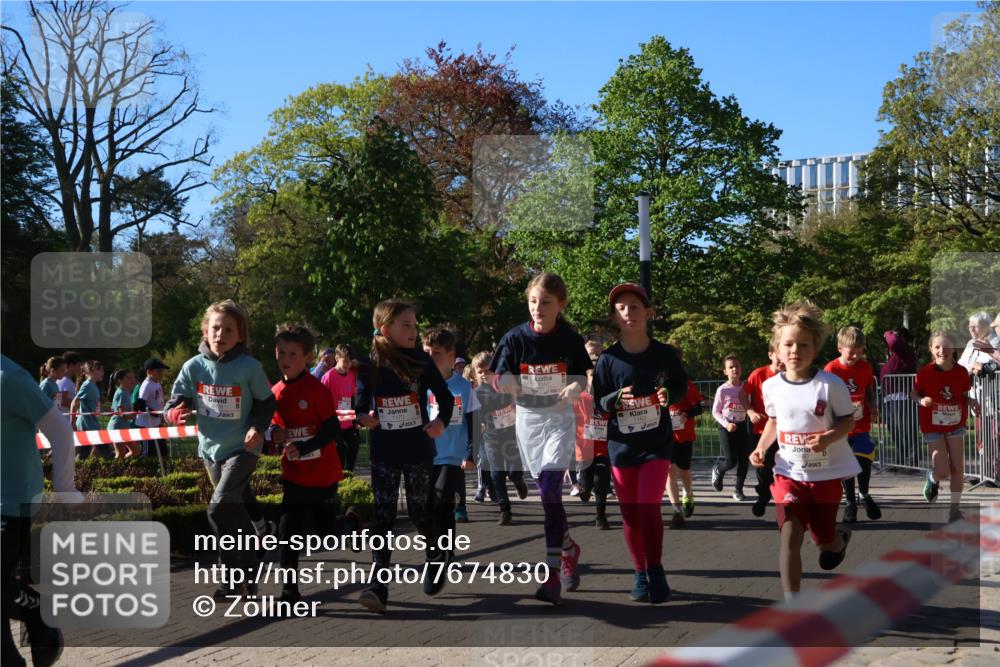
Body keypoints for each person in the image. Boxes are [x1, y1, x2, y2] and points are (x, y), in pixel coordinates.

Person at [163, 299, 277, 600]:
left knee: (219, 506)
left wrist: (256, 427)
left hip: (243, 448)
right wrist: (177, 413)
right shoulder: (193, 366)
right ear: (205, 331)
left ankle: (241, 567)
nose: (220, 334)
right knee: (231, 512)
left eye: (228, 329)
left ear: (240, 335)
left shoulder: (249, 367)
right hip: (211, 450)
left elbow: (267, 402)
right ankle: (241, 574)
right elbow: (173, 403)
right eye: (215, 328)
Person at [491, 273, 592, 605]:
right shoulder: (514, 338)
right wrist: (506, 383)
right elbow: (499, 373)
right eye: (533, 301)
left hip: (559, 420)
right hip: (528, 423)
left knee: (550, 490)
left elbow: (583, 378)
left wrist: (576, 386)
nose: (538, 308)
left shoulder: (569, 339)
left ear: (560, 305)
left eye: (546, 302)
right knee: (549, 497)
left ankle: (551, 577)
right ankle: (568, 547)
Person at [750, 302, 859, 601]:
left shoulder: (830, 385)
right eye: (788, 344)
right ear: (777, 348)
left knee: (824, 541)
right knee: (790, 533)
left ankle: (838, 540)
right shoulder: (771, 387)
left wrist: (828, 438)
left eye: (803, 344)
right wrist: (760, 448)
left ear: (815, 348)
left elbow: (848, 421)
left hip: (825, 475)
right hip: (788, 472)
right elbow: (774, 421)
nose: (794, 350)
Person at [354, 299, 452, 613]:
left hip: (417, 448)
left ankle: (437, 556)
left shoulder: (421, 362)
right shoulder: (369, 364)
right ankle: (378, 583)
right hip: (384, 450)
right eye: (406, 325)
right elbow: (358, 402)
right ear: (385, 329)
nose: (413, 330)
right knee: (383, 516)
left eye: (414, 324)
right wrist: (362, 416)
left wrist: (440, 422)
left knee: (417, 510)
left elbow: (446, 398)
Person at [593, 283, 687, 604]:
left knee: (648, 507)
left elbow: (680, 385)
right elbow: (599, 401)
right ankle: (640, 573)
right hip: (622, 447)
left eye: (635, 307)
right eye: (622, 309)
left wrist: (668, 395)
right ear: (614, 317)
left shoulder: (662, 354)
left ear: (648, 313)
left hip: (656, 445)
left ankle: (656, 569)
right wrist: (615, 398)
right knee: (630, 514)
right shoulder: (608, 359)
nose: (629, 313)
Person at [2, 354, 83, 667]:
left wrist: (64, 488)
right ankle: (35, 612)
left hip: (11, 500)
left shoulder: (8, 377)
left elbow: (59, 430)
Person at [267, 325, 346, 608]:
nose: (285, 358)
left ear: (307, 357)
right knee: (288, 534)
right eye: (281, 353)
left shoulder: (316, 390)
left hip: (323, 474)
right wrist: (275, 436)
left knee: (326, 535)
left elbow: (332, 428)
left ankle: (347, 524)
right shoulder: (274, 392)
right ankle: (290, 591)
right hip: (294, 475)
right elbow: (276, 429)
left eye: (292, 353)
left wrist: (306, 446)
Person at [422, 326, 480, 596]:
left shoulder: (464, 387)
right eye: (426, 353)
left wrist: (471, 454)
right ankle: (441, 551)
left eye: (436, 354)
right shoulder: (419, 384)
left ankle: (437, 561)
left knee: (442, 500)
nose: (430, 358)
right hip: (424, 457)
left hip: (452, 456)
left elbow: (475, 422)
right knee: (429, 509)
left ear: (450, 356)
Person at [912, 331, 980, 522]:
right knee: (943, 470)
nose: (942, 351)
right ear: (931, 350)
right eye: (937, 347)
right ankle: (933, 479)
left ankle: (954, 511)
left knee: (958, 468)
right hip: (933, 426)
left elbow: (964, 395)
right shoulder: (925, 372)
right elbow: (913, 393)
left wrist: (972, 401)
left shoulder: (960, 372)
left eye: (946, 346)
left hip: (955, 424)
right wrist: (921, 400)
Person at [824, 327, 881, 523]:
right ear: (840, 348)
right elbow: (824, 397)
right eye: (851, 352)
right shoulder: (831, 369)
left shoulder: (865, 367)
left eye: (860, 351)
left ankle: (864, 494)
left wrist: (873, 404)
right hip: (840, 425)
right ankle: (850, 503)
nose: (855, 356)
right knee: (846, 463)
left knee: (864, 459)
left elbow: (868, 389)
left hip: (861, 423)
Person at [472, 352, 529, 525]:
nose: (483, 375)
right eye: (479, 371)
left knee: (513, 471)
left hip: (511, 433)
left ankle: (519, 481)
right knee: (497, 473)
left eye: (487, 371)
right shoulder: (478, 393)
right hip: (491, 435)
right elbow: (475, 418)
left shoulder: (506, 386)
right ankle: (505, 510)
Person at [743, 343, 785, 517]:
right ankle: (763, 494)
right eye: (778, 355)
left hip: (785, 430)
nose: (782, 359)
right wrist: (750, 411)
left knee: (781, 465)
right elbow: (742, 394)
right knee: (764, 466)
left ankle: (783, 498)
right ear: (770, 355)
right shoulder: (759, 374)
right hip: (762, 429)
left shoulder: (791, 375)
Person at [574, 370, 612, 531]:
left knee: (601, 481)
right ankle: (584, 488)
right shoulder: (580, 398)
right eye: (592, 378)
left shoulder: (608, 400)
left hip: (603, 448)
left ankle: (601, 517)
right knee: (586, 487)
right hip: (584, 449)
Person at [665, 373, 704, 527]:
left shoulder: (686, 384)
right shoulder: (656, 384)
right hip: (666, 436)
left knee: (684, 471)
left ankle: (688, 493)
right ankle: (676, 511)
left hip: (684, 435)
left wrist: (686, 414)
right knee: (669, 470)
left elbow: (699, 408)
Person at [711, 354, 751, 501]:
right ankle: (718, 470)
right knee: (730, 461)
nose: (735, 369)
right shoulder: (723, 390)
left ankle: (738, 490)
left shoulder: (746, 387)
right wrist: (726, 424)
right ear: (725, 371)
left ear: (741, 369)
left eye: (737, 366)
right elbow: (715, 411)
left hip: (742, 426)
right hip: (726, 426)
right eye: (731, 367)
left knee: (743, 461)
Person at [880, 328, 919, 467]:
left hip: (901, 397)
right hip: (890, 398)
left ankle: (912, 462)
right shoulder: (896, 355)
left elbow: (894, 341)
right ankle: (901, 461)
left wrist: (888, 332)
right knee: (896, 431)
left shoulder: (905, 350)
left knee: (906, 430)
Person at [321, 344, 361, 472]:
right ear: (337, 358)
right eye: (345, 361)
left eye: (350, 361)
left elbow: (351, 398)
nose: (348, 365)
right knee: (341, 449)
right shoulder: (328, 377)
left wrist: (354, 420)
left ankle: (348, 474)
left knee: (354, 445)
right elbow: (321, 402)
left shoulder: (351, 376)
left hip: (347, 419)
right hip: (332, 420)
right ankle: (339, 477)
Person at [70, 361, 107, 459]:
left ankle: (82, 471)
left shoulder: (93, 386)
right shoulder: (87, 385)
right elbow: (74, 402)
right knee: (106, 453)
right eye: (100, 370)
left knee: (84, 454)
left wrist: (109, 411)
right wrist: (72, 422)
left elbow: (94, 406)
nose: (103, 373)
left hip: (92, 425)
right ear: (91, 371)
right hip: (86, 425)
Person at [135, 358, 169, 459]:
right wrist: (156, 413)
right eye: (158, 371)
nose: (161, 374)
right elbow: (140, 405)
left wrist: (161, 414)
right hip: (146, 424)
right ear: (149, 372)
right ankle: (138, 471)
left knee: (162, 451)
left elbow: (157, 401)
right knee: (148, 453)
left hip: (156, 423)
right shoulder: (147, 385)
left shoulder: (157, 383)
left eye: (162, 371)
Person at [108, 369, 141, 458]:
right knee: (120, 454)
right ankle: (114, 470)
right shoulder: (121, 393)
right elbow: (122, 413)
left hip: (124, 427)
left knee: (136, 451)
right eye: (129, 378)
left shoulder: (127, 392)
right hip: (117, 427)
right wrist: (137, 417)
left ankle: (123, 469)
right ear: (120, 380)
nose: (132, 380)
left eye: (133, 378)